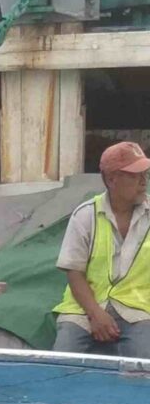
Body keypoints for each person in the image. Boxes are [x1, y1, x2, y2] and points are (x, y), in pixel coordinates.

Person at [53, 141, 150, 358]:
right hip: (82, 310)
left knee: (144, 371)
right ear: (111, 179)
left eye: (145, 173)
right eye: (135, 176)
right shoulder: (86, 215)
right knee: (60, 363)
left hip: (138, 311)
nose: (144, 182)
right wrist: (96, 314)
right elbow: (74, 272)